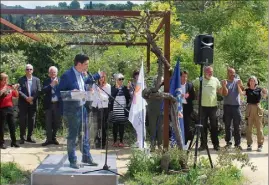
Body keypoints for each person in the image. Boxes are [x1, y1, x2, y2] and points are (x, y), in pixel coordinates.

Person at [58, 54, 100, 169]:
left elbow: (83, 86)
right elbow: (59, 92)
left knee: (85, 134)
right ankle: (72, 160)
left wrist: (88, 89)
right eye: (86, 64)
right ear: (79, 64)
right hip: (72, 111)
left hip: (82, 108)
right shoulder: (67, 75)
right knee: (73, 136)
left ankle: (86, 157)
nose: (87, 66)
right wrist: (71, 92)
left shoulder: (81, 74)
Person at [193, 66, 226, 151]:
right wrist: (196, 94)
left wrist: (223, 86)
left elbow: (220, 92)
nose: (211, 73)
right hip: (203, 107)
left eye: (212, 71)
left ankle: (216, 144)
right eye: (209, 71)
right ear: (204, 72)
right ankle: (203, 144)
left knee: (214, 126)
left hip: (213, 107)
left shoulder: (215, 80)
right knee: (203, 126)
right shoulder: (199, 80)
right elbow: (192, 87)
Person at [238, 76, 267, 152]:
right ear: (249, 82)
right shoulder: (247, 90)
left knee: (259, 128)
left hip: (258, 108)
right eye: (251, 80)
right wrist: (238, 85)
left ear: (256, 82)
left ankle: (260, 145)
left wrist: (265, 92)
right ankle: (249, 144)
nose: (252, 82)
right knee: (249, 128)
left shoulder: (259, 89)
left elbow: (264, 96)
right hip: (249, 108)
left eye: (253, 80)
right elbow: (241, 93)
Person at [18, 64, 41, 144]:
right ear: (25, 70)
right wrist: (26, 98)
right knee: (22, 120)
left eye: (30, 69)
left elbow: (39, 91)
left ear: (33, 70)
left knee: (32, 120)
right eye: (27, 69)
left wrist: (32, 98)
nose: (29, 71)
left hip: (33, 103)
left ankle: (29, 137)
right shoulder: (21, 79)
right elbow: (19, 91)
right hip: (23, 103)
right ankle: (22, 137)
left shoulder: (37, 80)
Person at [222, 68, 243, 150]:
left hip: (236, 106)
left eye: (234, 73)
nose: (233, 74)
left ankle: (237, 144)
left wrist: (240, 85)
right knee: (227, 125)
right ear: (228, 73)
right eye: (231, 73)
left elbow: (242, 92)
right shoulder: (224, 82)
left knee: (237, 125)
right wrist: (224, 86)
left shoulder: (238, 81)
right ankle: (228, 143)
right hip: (227, 106)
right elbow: (225, 94)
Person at [109, 73, 130, 147]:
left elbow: (128, 98)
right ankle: (115, 141)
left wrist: (128, 89)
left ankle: (121, 141)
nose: (121, 81)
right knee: (115, 125)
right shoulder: (112, 88)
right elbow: (111, 97)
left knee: (122, 126)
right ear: (116, 80)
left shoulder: (125, 88)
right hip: (115, 109)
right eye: (119, 79)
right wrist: (117, 89)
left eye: (122, 79)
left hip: (122, 109)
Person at [41, 66, 61, 146]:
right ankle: (48, 139)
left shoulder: (61, 81)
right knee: (48, 123)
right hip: (49, 104)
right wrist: (51, 85)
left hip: (57, 104)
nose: (53, 74)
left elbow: (63, 90)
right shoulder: (46, 81)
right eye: (51, 72)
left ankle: (54, 138)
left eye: (54, 72)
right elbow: (44, 90)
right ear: (49, 74)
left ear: (57, 73)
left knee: (57, 122)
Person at [0, 73, 20, 149]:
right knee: (1, 127)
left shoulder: (9, 86)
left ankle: (14, 142)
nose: (6, 81)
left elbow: (16, 95)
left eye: (6, 79)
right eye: (4, 79)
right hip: (2, 109)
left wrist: (15, 89)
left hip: (10, 108)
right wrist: (3, 90)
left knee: (12, 126)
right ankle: (1, 143)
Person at [92, 71, 111, 149]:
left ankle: (103, 142)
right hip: (95, 106)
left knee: (103, 125)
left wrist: (100, 93)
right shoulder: (94, 85)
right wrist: (92, 93)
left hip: (103, 107)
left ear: (104, 78)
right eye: (99, 77)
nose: (101, 79)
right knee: (96, 125)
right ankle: (97, 141)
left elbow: (107, 97)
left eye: (102, 77)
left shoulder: (108, 86)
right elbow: (93, 96)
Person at [147, 76, 164, 151]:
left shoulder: (165, 88)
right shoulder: (151, 89)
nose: (159, 82)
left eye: (161, 80)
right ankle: (152, 144)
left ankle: (160, 144)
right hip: (152, 111)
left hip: (161, 111)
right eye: (158, 80)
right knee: (152, 128)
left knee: (160, 129)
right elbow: (146, 96)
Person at [180, 71, 195, 145]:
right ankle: (178, 141)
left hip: (187, 109)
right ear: (180, 77)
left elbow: (193, 97)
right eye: (183, 76)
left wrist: (188, 95)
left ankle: (185, 142)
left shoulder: (190, 85)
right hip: (178, 108)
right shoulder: (177, 85)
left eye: (186, 77)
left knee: (186, 125)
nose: (185, 78)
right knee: (178, 124)